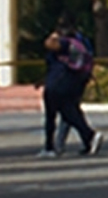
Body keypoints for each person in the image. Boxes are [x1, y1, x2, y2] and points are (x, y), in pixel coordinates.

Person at [40, 17, 101, 157]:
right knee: (70, 113)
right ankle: (84, 140)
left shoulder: (64, 43)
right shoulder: (80, 41)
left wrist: (53, 36)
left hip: (58, 83)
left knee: (60, 114)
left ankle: (87, 136)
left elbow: (49, 44)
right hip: (72, 82)